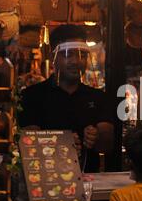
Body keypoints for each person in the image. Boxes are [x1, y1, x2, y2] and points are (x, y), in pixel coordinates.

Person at [18, 25, 114, 172]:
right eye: (68, 55)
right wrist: (60, 144)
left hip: (88, 182)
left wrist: (96, 136)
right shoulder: (32, 96)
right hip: (45, 181)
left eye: (82, 55)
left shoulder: (98, 97)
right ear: (53, 57)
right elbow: (28, 143)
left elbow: (107, 145)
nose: (76, 61)